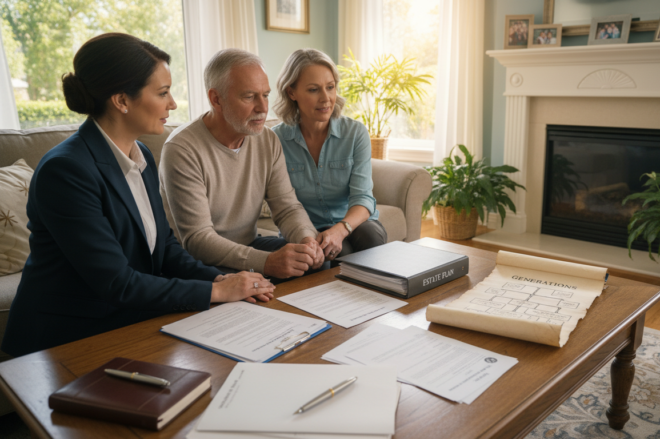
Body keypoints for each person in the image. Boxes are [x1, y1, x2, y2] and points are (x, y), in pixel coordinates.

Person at [1, 34, 273, 358]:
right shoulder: (65, 171)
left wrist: (226, 278)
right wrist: (216, 290)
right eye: (162, 93)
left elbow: (167, 249)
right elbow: (118, 283)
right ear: (121, 100)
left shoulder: (139, 153)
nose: (172, 103)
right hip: (65, 341)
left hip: (126, 318)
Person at [159, 49, 325, 283]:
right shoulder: (182, 149)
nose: (262, 107)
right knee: (258, 284)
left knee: (314, 263)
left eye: (265, 95)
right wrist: (266, 262)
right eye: (249, 97)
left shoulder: (267, 140)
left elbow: (287, 208)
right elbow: (198, 239)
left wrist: (307, 241)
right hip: (197, 261)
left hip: (246, 245)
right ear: (216, 99)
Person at [272, 49, 387, 263]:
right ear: (291, 92)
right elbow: (280, 205)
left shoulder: (355, 133)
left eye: (330, 87)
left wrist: (340, 230)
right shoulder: (275, 140)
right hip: (307, 230)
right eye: (314, 89)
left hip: (353, 224)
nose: (326, 98)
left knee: (370, 237)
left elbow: (363, 198)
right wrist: (311, 237)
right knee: (337, 255)